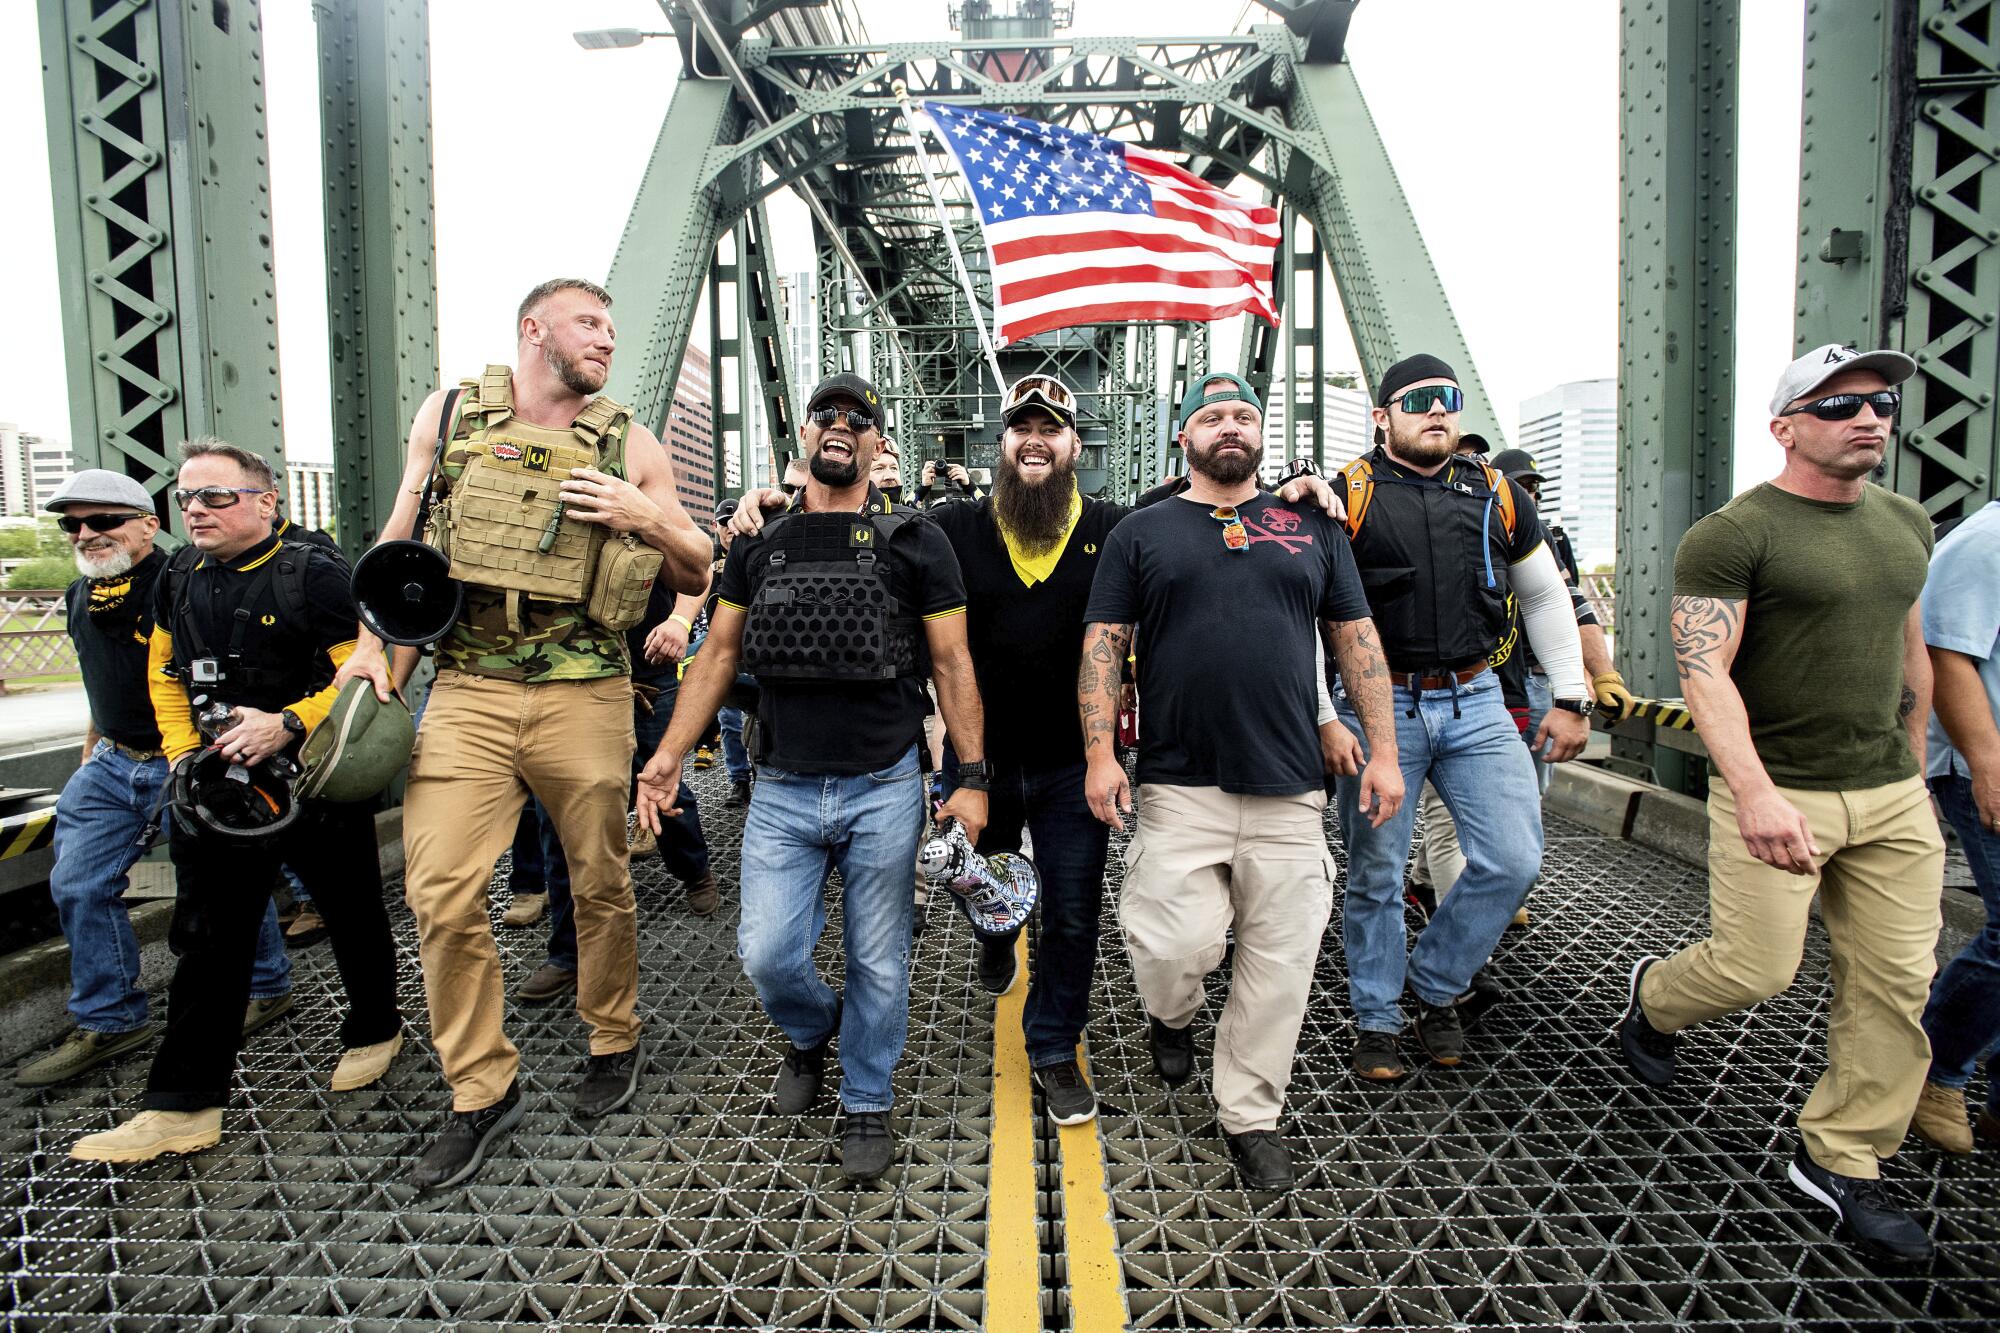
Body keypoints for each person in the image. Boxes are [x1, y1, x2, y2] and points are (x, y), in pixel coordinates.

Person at [336, 278, 712, 1191]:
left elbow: (700, 561)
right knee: (440, 888)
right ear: (533, 330)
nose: (608, 340)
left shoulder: (629, 440)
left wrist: (643, 514)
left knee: (600, 878)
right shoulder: (454, 412)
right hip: (467, 685)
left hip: (584, 685)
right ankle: (479, 1085)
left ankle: (612, 1034)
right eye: (591, 323)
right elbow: (400, 541)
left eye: (615, 329)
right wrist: (365, 656)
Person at [1617, 343, 1943, 1265]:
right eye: (1840, 406)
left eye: (1879, 402)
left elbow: (1907, 648)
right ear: (1786, 426)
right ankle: (1654, 997)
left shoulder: (1907, 523)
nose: (1870, 418)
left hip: (1887, 796)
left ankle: (1843, 1155)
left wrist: (1913, 766)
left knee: (1895, 985)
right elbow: (1704, 670)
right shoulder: (1733, 533)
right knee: (1758, 969)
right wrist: (1754, 791)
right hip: (1779, 785)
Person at [636, 370, 988, 1181]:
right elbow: (719, 653)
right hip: (783, 785)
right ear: (804, 435)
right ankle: (811, 1030)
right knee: (767, 954)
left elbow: (951, 659)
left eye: (859, 416)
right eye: (825, 411)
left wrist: (968, 774)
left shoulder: (915, 541)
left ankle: (866, 1094)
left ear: (878, 443)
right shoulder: (760, 541)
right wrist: (665, 756)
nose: (842, 423)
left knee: (880, 957)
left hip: (884, 782)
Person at [1081, 372, 1404, 1191]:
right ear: (1184, 437)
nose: (1230, 425)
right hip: (1180, 784)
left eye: (1244, 414)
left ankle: (1250, 1113)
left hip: (1292, 789)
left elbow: (1357, 641)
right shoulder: (1143, 532)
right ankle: (1173, 1012)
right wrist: (1099, 754)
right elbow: (1104, 646)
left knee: (1281, 962)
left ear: (1262, 433)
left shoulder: (1311, 524)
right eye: (1211, 415)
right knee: (1173, 945)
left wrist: (1386, 751)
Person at [69, 440, 403, 1163]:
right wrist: (183, 752)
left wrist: (284, 722)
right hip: (220, 787)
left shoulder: (313, 574)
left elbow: (365, 674)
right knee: (208, 938)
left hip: (311, 781)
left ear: (264, 501)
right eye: (185, 498)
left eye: (216, 496)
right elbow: (165, 668)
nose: (196, 510)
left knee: (351, 909)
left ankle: (375, 1026)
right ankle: (183, 1105)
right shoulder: (180, 575)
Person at [1330, 355, 1589, 1083]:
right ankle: (1378, 1017)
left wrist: (1571, 694)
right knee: (1377, 871)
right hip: (1385, 707)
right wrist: (1328, 712)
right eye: (1416, 400)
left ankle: (1435, 979)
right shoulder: (1348, 493)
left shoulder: (1497, 492)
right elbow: (1309, 605)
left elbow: (1543, 596)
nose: (1437, 410)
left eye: (1448, 398)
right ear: (1382, 417)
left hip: (1476, 701)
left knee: (1514, 857)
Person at [18, 471, 295, 1088]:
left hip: (192, 756)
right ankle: (111, 1019)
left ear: (149, 523)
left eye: (104, 521)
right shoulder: (79, 596)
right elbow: (104, 681)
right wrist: (93, 748)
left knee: (224, 882)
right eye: (73, 524)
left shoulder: (189, 583)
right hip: (114, 762)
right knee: (78, 884)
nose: (87, 534)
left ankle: (266, 985)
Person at [1908, 496, 2000, 1155]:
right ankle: (1934, 1070)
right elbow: (1942, 651)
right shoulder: (1988, 541)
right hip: (1983, 764)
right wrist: (1987, 762)